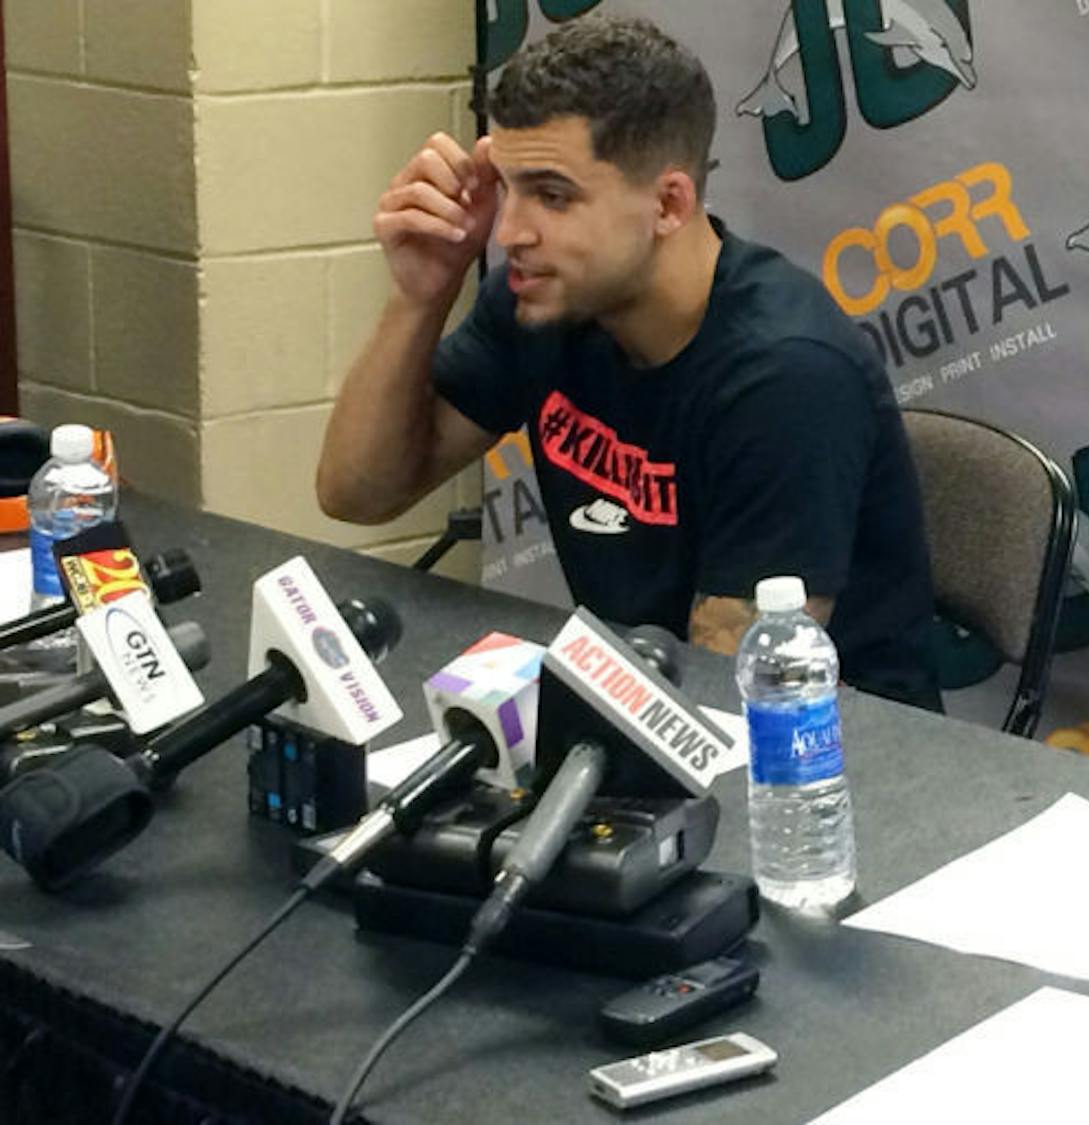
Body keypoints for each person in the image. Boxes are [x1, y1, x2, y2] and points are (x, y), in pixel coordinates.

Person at [316, 14, 941, 710]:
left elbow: (727, 701)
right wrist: (419, 297)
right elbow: (357, 495)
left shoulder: (786, 376)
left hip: (830, 767)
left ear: (669, 204)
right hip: (651, 716)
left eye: (552, 196)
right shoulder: (546, 301)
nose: (510, 231)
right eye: (508, 187)